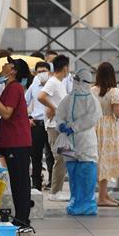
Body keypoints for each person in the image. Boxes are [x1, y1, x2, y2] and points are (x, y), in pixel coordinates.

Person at [0, 58, 33, 231]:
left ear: (13, 70)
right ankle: (20, 218)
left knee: (20, 181)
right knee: (16, 181)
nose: (3, 65)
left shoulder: (14, 88)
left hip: (17, 142)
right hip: (11, 141)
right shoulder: (7, 88)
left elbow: (6, 113)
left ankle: (23, 220)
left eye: (7, 64)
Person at [54, 68, 101, 216]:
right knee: (73, 173)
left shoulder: (91, 100)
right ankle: (75, 202)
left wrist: (74, 127)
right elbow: (59, 114)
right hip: (69, 142)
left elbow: (92, 118)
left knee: (86, 174)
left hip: (86, 141)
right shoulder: (69, 98)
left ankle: (87, 205)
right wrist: (61, 124)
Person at [91, 62, 119, 207]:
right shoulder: (114, 91)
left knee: (99, 158)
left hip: (94, 125)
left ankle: (104, 194)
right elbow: (118, 113)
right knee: (106, 160)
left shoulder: (92, 90)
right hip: (108, 127)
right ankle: (102, 198)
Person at [39, 54, 70, 201]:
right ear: (65, 68)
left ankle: (57, 190)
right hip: (54, 127)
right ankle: (54, 192)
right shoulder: (53, 82)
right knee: (60, 158)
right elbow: (41, 96)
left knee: (64, 157)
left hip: (60, 127)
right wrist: (55, 108)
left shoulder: (60, 83)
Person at [26, 60, 52, 191]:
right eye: (39, 72)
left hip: (51, 122)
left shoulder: (54, 85)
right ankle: (36, 183)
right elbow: (24, 102)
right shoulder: (33, 85)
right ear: (35, 73)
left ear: (50, 72)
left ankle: (52, 182)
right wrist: (27, 118)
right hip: (37, 123)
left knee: (51, 154)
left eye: (44, 71)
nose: (42, 74)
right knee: (35, 155)